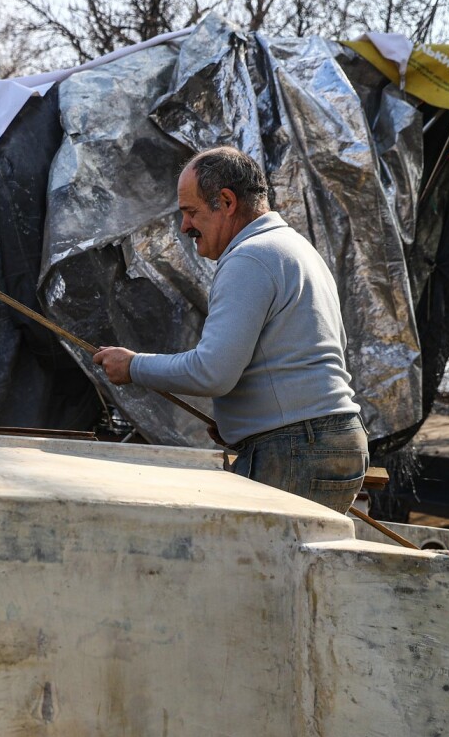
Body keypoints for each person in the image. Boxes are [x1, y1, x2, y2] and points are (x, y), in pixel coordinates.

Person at [92, 146, 367, 513]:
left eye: (191, 212)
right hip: (329, 440)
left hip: (297, 448)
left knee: (263, 569)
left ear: (226, 201)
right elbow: (296, 358)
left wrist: (132, 366)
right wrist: (245, 420)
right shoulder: (292, 248)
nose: (184, 226)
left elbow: (212, 373)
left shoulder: (250, 257)